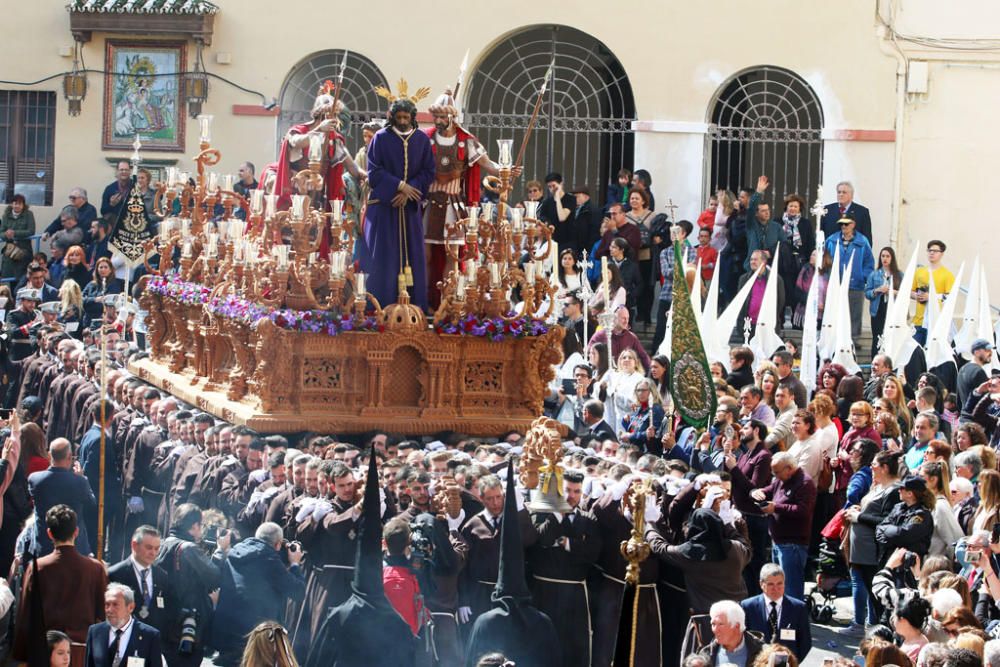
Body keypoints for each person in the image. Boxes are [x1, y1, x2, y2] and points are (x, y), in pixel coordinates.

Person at [423, 89, 510, 305]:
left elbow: (487, 164)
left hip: (454, 206)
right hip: (429, 204)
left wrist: (505, 170)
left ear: (452, 116)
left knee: (452, 256)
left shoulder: (466, 141)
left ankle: (447, 301)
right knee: (424, 256)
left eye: (443, 117)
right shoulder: (425, 138)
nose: (439, 121)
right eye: (437, 117)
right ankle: (424, 301)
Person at [361, 96, 435, 310]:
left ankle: (413, 306)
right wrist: (400, 186)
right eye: (399, 117)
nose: (403, 121)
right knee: (384, 258)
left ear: (412, 117)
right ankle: (381, 306)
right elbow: (373, 172)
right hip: (385, 208)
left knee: (412, 257)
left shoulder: (421, 140)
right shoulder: (381, 138)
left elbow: (428, 171)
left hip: (409, 208)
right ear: (392, 117)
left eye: (406, 117)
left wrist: (410, 191)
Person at [12, 505, 108, 664]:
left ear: (49, 533)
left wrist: (22, 654)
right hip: (81, 653)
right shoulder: (95, 568)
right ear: (76, 532)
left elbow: (27, 614)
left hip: (47, 653)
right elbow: (104, 615)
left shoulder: (37, 567)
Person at [212, 522, 306, 666]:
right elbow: (297, 591)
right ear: (278, 544)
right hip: (254, 636)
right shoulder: (269, 559)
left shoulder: (234, 551)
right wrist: (294, 564)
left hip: (227, 631)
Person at [155, 502, 229, 667]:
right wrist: (219, 550)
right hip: (188, 622)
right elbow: (215, 577)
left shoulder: (163, 543)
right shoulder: (188, 549)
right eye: (201, 525)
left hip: (166, 620)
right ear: (194, 526)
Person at [751, 451, 816, 602]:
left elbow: (803, 511)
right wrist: (757, 492)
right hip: (778, 541)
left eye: (777, 472)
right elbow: (769, 489)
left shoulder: (805, 483)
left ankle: (793, 622)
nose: (775, 475)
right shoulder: (781, 479)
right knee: (778, 586)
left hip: (793, 543)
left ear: (789, 468)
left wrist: (776, 508)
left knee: (791, 588)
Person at [28, 437, 97, 556]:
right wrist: (82, 478)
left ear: (49, 455)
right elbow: (92, 504)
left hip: (44, 544)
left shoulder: (35, 479)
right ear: (69, 457)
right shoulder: (79, 482)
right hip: (74, 545)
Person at [741, 564, 812, 662]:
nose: (776, 589)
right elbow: (743, 642)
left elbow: (805, 644)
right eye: (771, 584)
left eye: (780, 584)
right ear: (762, 584)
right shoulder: (748, 607)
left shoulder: (798, 608)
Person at [83, 582, 163, 667]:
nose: (109, 610)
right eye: (107, 605)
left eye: (115, 604)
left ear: (130, 607)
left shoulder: (150, 636)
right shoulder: (95, 632)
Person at [107, 525, 170, 632]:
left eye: (157, 549)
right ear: (134, 545)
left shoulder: (162, 576)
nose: (153, 553)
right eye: (149, 547)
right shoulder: (115, 574)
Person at [824, 216, 875, 339]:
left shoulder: (862, 241)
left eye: (846, 224)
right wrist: (828, 277)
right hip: (835, 283)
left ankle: (854, 339)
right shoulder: (831, 240)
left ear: (853, 224)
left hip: (856, 284)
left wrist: (862, 277)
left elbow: (869, 262)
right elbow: (824, 260)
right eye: (841, 224)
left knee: (854, 313)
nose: (843, 227)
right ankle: (834, 338)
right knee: (835, 311)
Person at [652, 219, 697, 351]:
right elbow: (666, 273)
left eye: (676, 232)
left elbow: (690, 271)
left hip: (685, 295)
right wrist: (682, 268)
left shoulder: (691, 251)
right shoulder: (665, 252)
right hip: (667, 294)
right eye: (672, 232)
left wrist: (680, 269)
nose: (673, 234)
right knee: (661, 328)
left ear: (684, 234)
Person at [911, 240, 955, 346]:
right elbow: (910, 291)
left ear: (942, 253)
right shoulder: (919, 271)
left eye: (935, 251)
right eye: (930, 250)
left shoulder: (947, 275)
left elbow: (951, 298)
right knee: (914, 353)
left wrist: (931, 297)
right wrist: (916, 295)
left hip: (936, 322)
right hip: (918, 321)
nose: (931, 253)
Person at [699, 600, 765, 666]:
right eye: (713, 624)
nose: (715, 630)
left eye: (721, 624)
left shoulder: (762, 652)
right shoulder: (705, 655)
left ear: (736, 626)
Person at [865, 246, 903, 358]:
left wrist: (891, 291)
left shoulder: (899, 275)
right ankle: (875, 361)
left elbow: (904, 293)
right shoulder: (874, 274)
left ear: (892, 258)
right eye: (882, 256)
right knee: (877, 337)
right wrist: (877, 290)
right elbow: (867, 293)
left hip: (893, 309)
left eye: (887, 256)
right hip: (878, 309)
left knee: (892, 336)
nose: (885, 259)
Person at [744, 176, 787, 271]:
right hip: (753, 267)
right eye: (763, 211)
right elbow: (751, 208)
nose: (767, 213)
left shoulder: (776, 227)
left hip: (771, 267)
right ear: (756, 213)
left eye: (768, 210)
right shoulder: (751, 224)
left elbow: (784, 245)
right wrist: (758, 192)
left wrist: (770, 252)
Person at [738, 250, 785, 328]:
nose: (752, 262)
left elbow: (780, 301)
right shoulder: (744, 279)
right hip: (749, 325)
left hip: (767, 325)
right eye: (751, 259)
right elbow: (740, 301)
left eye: (755, 259)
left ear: (764, 261)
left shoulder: (775, 279)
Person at [0, 194, 35, 279]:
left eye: (20, 203)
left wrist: (15, 233)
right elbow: (1, 232)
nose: (17, 206)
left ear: (23, 205)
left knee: (22, 277)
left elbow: (31, 231)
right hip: (10, 251)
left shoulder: (29, 214)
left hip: (24, 250)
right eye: (15, 203)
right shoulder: (6, 215)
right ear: (12, 204)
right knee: (8, 277)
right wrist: (6, 234)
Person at [958, 339, 993, 409]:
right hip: (975, 417)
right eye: (987, 350)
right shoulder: (978, 372)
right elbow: (985, 402)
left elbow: (958, 400)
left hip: (964, 416)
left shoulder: (962, 369)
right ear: (976, 352)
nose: (990, 353)